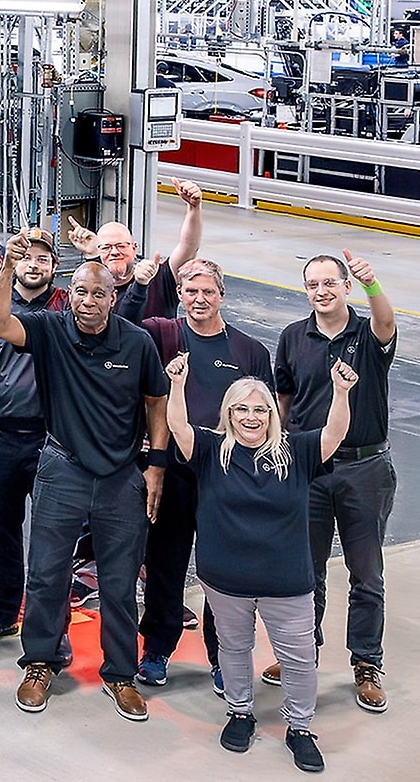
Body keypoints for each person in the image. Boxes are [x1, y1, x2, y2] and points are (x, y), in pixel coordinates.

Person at [0, 243, 170, 722]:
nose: (88, 301)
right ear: (70, 296)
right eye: (81, 292)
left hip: (121, 477)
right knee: (46, 574)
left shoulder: (137, 343)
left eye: (98, 293)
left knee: (119, 582)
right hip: (62, 468)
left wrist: (155, 465)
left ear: (113, 297)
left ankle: (121, 674)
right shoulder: (50, 329)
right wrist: (8, 266)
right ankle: (41, 662)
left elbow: (156, 402)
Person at [169, 358, 356, 773]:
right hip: (225, 582)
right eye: (242, 409)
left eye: (260, 409)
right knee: (234, 648)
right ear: (229, 413)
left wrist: (341, 393)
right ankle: (240, 712)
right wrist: (178, 385)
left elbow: (334, 433)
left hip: (287, 582)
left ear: (271, 414)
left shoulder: (297, 451)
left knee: (299, 658)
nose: (251, 417)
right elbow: (178, 427)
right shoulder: (210, 450)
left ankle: (300, 727)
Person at [133, 258, 272, 690]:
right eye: (190, 291)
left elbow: (265, 418)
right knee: (164, 564)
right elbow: (122, 330)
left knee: (222, 571)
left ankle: (222, 656)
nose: (199, 299)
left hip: (225, 477)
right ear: (179, 294)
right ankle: (157, 649)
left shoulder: (249, 352)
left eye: (208, 291)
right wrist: (154, 463)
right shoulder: (160, 335)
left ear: (222, 295)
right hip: (174, 473)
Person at [273, 249, 398, 712]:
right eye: (313, 284)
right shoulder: (292, 337)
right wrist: (279, 454)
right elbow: (285, 401)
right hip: (310, 469)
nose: (321, 291)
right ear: (306, 290)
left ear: (346, 287)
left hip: (365, 469)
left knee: (366, 574)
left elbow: (386, 321)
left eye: (330, 283)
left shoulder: (368, 334)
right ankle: (301, 653)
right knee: (307, 571)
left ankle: (366, 663)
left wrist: (373, 284)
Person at [0, 227, 68, 647]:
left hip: (51, 439)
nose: (34, 265)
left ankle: (52, 625)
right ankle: (3, 612)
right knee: (1, 529)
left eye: (43, 259)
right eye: (27, 257)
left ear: (55, 267)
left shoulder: (66, 310)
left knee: (52, 535)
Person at [68, 178, 205, 321]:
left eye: (121, 246)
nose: (114, 252)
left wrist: (194, 208)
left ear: (134, 248)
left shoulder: (159, 279)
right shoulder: (93, 289)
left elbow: (189, 246)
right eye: (107, 247)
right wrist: (91, 254)